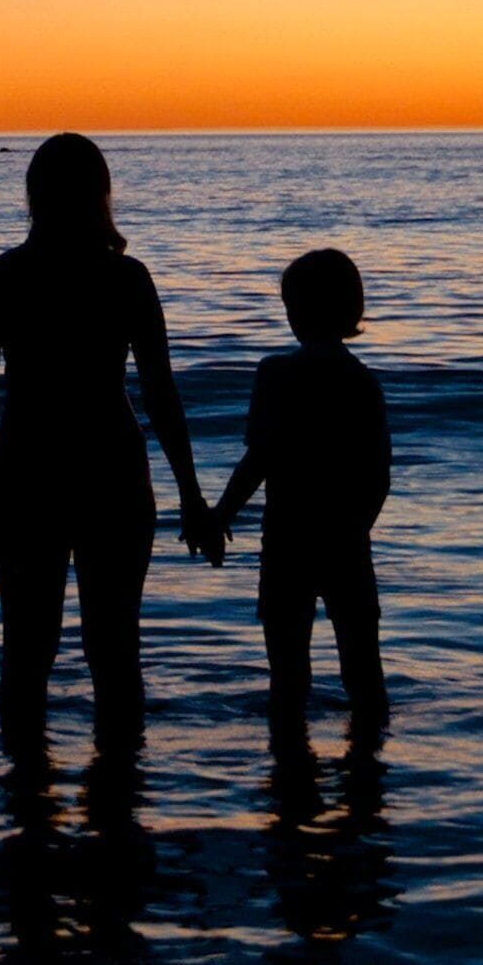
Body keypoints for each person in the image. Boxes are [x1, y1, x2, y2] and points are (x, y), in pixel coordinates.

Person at [0, 132, 218, 749]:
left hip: (27, 466)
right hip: (111, 466)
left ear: (33, 196)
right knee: (115, 652)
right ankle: (119, 807)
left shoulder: (3, 276)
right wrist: (193, 496)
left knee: (26, 649)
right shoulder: (127, 278)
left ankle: (28, 811)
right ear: (101, 195)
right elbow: (162, 397)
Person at [201, 248, 393, 734]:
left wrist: (220, 516)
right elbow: (379, 474)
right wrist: (355, 527)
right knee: (364, 674)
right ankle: (368, 780)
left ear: (297, 313)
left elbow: (257, 461)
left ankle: (289, 779)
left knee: (288, 676)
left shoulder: (277, 375)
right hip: (348, 545)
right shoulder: (363, 383)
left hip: (286, 545)